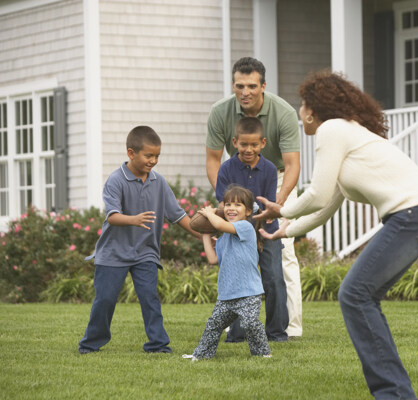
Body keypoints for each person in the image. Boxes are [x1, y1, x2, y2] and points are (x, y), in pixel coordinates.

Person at [255, 71, 418, 399]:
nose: (299, 113)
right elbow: (326, 205)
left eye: (302, 105)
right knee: (361, 296)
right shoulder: (347, 136)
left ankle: (394, 394)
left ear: (313, 110)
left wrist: (280, 211)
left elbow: (315, 194)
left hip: (413, 215)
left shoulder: (333, 129)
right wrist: (284, 232)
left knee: (354, 294)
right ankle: (396, 392)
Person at [78, 126, 202, 354]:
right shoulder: (116, 180)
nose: (153, 161)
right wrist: (134, 219)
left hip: (145, 252)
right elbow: (113, 217)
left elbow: (178, 215)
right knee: (105, 300)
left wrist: (203, 234)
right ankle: (90, 344)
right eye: (149, 156)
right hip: (113, 253)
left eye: (157, 156)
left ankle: (157, 345)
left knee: (150, 299)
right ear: (131, 153)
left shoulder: (159, 182)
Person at [205, 56, 303, 338]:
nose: (244, 92)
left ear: (263, 86)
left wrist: (277, 205)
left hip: (277, 177)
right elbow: (213, 160)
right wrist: (227, 202)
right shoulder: (220, 112)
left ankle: (288, 327)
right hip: (235, 179)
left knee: (283, 253)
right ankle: (235, 324)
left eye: (251, 86)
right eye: (239, 86)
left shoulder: (283, 113)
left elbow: (293, 165)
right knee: (235, 252)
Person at [216, 116, 288, 342]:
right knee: (239, 280)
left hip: (266, 230)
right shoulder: (226, 169)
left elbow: (266, 205)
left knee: (274, 278)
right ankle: (237, 333)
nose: (249, 149)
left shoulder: (268, 169)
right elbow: (224, 204)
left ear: (263, 143)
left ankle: (276, 332)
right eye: (244, 144)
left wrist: (257, 235)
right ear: (235, 142)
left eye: (254, 144)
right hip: (235, 234)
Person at [183, 185, 272, 360]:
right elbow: (212, 259)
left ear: (247, 211)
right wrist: (206, 234)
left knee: (250, 323)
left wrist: (210, 213)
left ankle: (262, 353)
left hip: (248, 292)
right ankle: (201, 355)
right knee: (213, 325)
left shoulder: (246, 228)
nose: (231, 208)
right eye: (228, 204)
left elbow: (220, 223)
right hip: (227, 295)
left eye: (238, 205)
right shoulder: (224, 239)